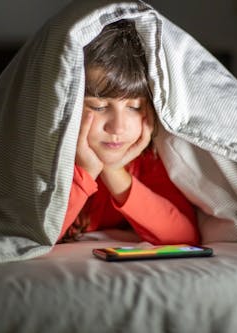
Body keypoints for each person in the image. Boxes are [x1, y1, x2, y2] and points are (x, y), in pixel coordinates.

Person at [58, 19, 200, 245]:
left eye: (134, 108)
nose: (118, 128)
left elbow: (183, 236)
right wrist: (85, 172)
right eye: (99, 106)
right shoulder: (49, 156)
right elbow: (35, 234)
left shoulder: (147, 160)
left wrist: (114, 171)